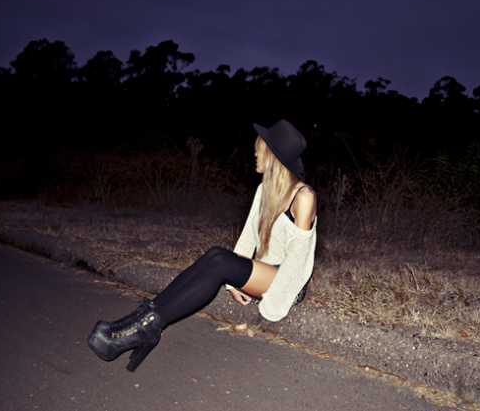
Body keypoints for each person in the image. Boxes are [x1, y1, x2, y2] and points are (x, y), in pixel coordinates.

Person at [86, 120, 317, 372]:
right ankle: (137, 323)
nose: (254, 153)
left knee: (219, 261)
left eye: (259, 150)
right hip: (264, 271)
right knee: (216, 255)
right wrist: (233, 283)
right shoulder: (266, 189)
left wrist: (273, 304)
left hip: (288, 283)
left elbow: (296, 262)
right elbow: (249, 236)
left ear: (272, 157)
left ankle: (141, 330)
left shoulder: (304, 197)